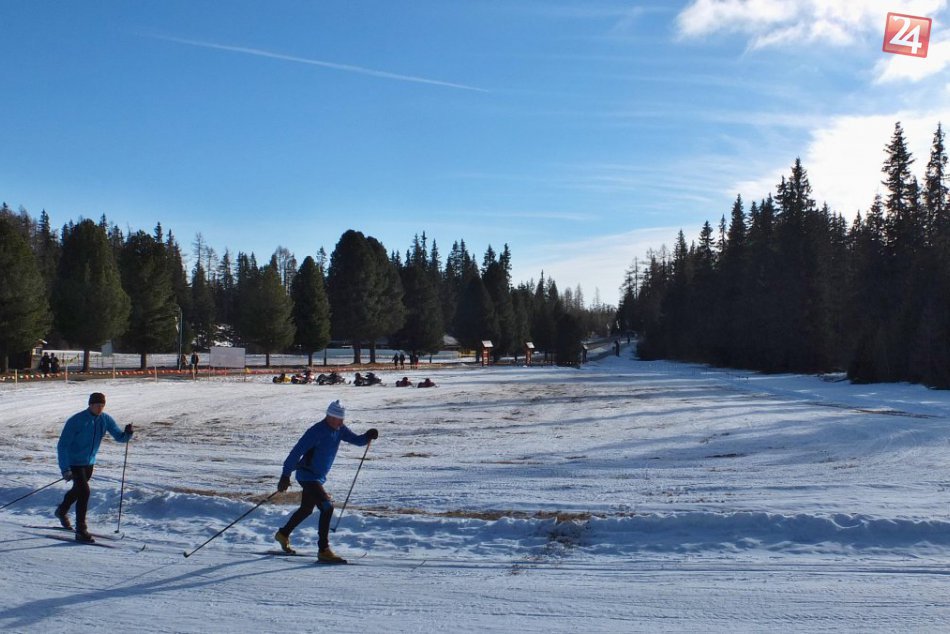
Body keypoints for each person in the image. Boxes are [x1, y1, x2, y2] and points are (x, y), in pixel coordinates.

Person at [274, 400, 378, 563]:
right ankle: (323, 549)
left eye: (342, 419)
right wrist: (285, 475)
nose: (342, 422)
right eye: (339, 419)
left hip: (317, 477)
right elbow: (296, 452)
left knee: (306, 509)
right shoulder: (316, 431)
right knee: (327, 507)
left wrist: (367, 436)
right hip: (307, 475)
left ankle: (283, 534)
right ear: (329, 417)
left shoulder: (339, 429)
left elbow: (356, 440)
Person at [55, 392, 133, 543]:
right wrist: (65, 469)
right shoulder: (76, 421)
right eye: (97, 405)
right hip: (74, 462)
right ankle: (81, 530)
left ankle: (61, 510)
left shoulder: (105, 419)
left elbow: (119, 437)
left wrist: (127, 433)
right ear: (90, 405)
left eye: (102, 405)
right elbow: (62, 445)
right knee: (84, 491)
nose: (100, 408)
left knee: (78, 491)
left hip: (89, 463)